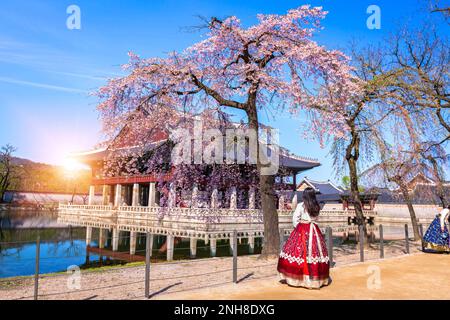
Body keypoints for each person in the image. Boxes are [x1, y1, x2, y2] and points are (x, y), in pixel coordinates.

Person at [277, 187, 331, 289]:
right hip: (314, 230)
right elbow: (316, 219)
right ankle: (315, 280)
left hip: (302, 229)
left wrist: (298, 228)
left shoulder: (301, 205)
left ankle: (299, 280)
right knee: (316, 252)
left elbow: (295, 219)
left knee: (297, 252)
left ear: (304, 195)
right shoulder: (317, 206)